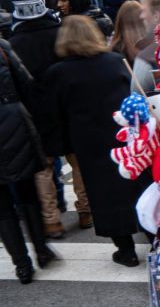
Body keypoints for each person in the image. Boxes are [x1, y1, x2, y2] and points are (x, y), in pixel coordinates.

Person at [44, 16, 149, 266]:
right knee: (138, 186)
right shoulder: (114, 61)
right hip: (123, 134)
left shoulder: (58, 72)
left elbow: (54, 113)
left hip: (88, 142)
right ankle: (156, 239)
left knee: (104, 196)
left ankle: (126, 250)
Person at [9, 0, 67, 239]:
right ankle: (86, 210)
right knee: (76, 158)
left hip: (34, 107)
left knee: (43, 165)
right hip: (63, 103)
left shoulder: (14, 42)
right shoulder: (58, 32)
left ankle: (52, 220)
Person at [0, 31, 56, 283]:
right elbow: (26, 82)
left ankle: (21, 265)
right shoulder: (2, 46)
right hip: (12, 118)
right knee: (26, 191)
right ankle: (41, 250)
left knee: (1, 206)